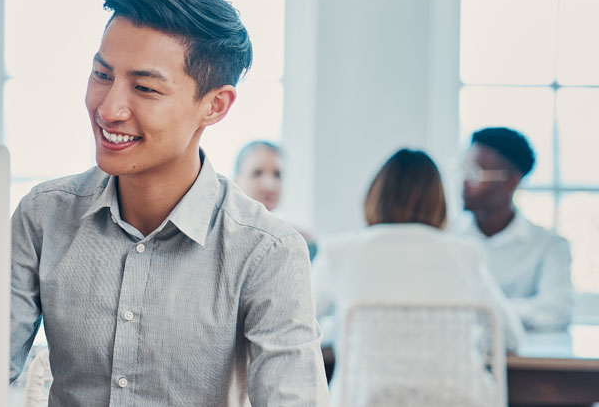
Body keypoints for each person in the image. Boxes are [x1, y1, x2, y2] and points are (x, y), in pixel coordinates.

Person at [9, 0, 329, 407]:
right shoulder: (42, 217)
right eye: (102, 74)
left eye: (145, 88)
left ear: (214, 105)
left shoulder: (266, 250)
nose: (108, 108)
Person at [311, 149, 523, 405]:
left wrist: (340, 328)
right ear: (439, 201)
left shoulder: (339, 252)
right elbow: (510, 336)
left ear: (375, 196)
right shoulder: (466, 254)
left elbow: (294, 325)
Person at [452, 127, 573, 331]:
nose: (464, 180)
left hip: (523, 361)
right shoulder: (447, 236)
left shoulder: (549, 246)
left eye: (475, 172)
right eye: (463, 169)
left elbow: (556, 311)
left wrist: (480, 310)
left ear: (510, 182)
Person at [234, 140, 317, 249]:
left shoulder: (301, 242)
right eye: (257, 173)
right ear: (236, 181)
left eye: (277, 175)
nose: (269, 185)